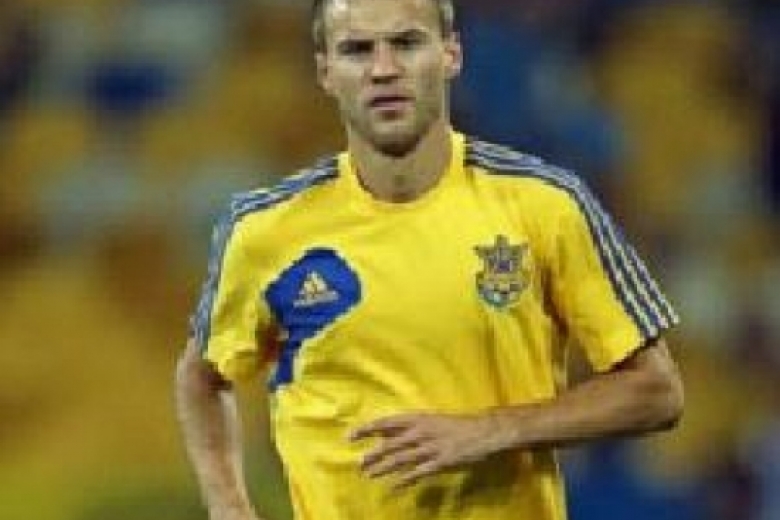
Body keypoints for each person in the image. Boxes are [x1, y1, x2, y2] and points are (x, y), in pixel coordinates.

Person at [174, 0, 684, 519]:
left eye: (406, 43)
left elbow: (656, 390)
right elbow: (202, 377)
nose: (383, 69)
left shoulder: (545, 204)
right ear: (325, 72)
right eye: (357, 50)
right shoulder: (264, 230)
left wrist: (493, 429)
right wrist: (228, 505)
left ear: (451, 54)